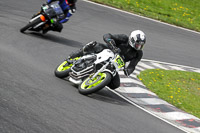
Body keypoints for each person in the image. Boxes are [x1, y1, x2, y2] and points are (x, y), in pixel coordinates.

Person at [68, 30, 146, 89]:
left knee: (115, 85)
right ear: (132, 39)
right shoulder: (124, 38)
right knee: (95, 45)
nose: (138, 46)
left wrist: (128, 71)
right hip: (107, 51)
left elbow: (133, 65)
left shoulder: (138, 53)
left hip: (114, 64)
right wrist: (111, 43)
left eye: (140, 45)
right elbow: (107, 35)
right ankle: (74, 56)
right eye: (137, 43)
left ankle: (98, 81)